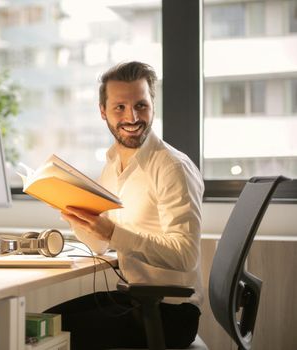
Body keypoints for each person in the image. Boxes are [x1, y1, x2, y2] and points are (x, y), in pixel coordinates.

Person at [45, 61, 204, 349]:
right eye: (120, 107)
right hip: (135, 300)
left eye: (141, 105)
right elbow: (100, 246)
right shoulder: (112, 165)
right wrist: (75, 216)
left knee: (45, 337)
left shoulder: (172, 167)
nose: (132, 116)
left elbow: (186, 255)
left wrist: (112, 232)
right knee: (42, 322)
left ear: (152, 105)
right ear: (102, 111)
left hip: (171, 313)